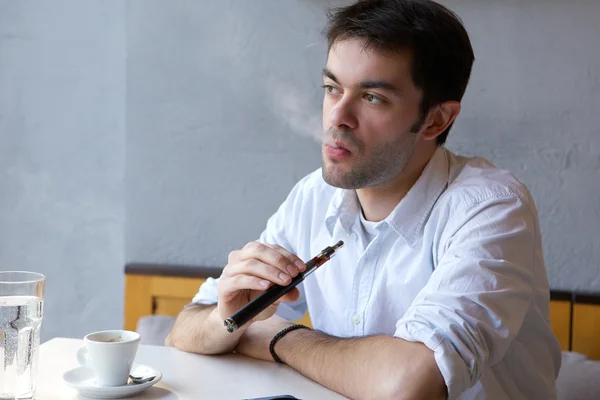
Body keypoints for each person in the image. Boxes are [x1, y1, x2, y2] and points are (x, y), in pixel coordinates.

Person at [165, 0, 562, 398]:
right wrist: (225, 321)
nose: (338, 116)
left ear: (435, 119)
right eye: (331, 88)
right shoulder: (313, 197)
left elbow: (408, 385)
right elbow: (183, 331)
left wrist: (279, 336)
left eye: (372, 97)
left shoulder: (491, 207)